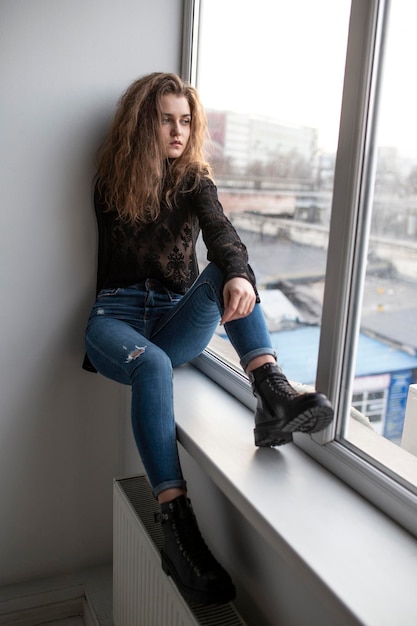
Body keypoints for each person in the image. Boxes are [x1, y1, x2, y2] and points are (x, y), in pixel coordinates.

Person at [83, 72, 333, 606]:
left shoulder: (195, 180)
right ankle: (178, 529)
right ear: (142, 123)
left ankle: (271, 395)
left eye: (186, 121)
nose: (178, 130)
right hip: (116, 322)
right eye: (166, 119)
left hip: (174, 323)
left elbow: (222, 233)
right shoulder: (114, 178)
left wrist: (238, 274)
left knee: (226, 269)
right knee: (149, 365)